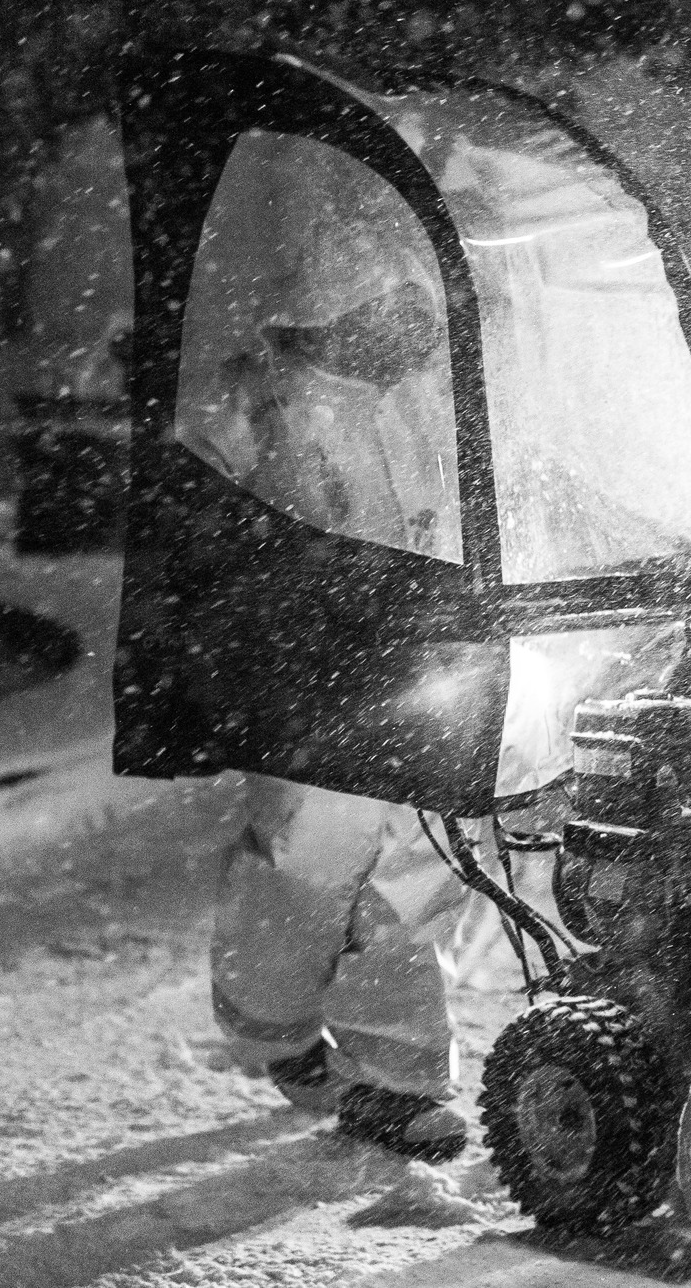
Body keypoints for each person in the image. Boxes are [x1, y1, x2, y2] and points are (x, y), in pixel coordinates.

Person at [179, 138, 476, 1160]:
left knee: (411, 868)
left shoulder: (416, 410)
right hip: (306, 683)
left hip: (410, 673)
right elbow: (202, 532)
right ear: (327, 312)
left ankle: (393, 1076)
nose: (399, 331)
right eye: (380, 308)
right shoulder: (252, 409)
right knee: (306, 870)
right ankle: (272, 1020)